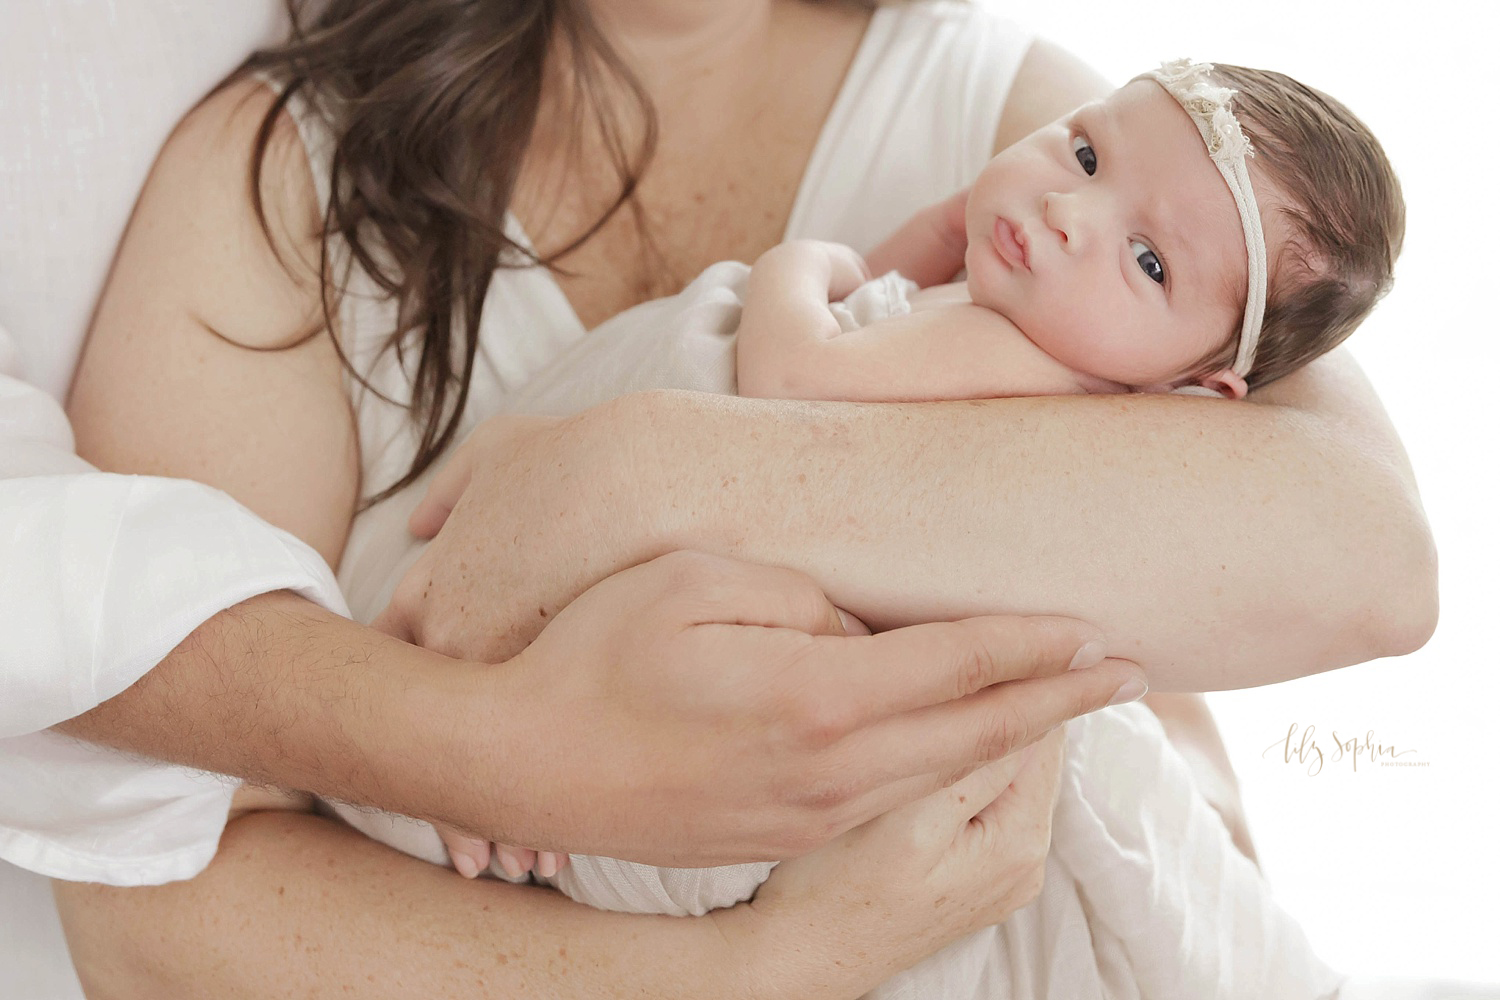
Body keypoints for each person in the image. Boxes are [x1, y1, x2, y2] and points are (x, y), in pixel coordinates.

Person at [51, 0, 1435, 996]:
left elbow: (1372, 567)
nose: (1086, 207)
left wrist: (643, 467)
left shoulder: (1043, 115)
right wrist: (767, 967)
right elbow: (149, 908)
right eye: (1084, 167)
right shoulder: (286, 181)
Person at [425, 55, 1405, 880]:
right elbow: (884, 315)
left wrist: (791, 265)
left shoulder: (1025, 363)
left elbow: (794, 373)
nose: (1069, 208)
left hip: (695, 516)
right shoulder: (1027, 329)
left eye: (1148, 261)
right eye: (1087, 152)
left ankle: (486, 747)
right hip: (682, 526)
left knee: (574, 617)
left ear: (1199, 385)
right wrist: (937, 250)